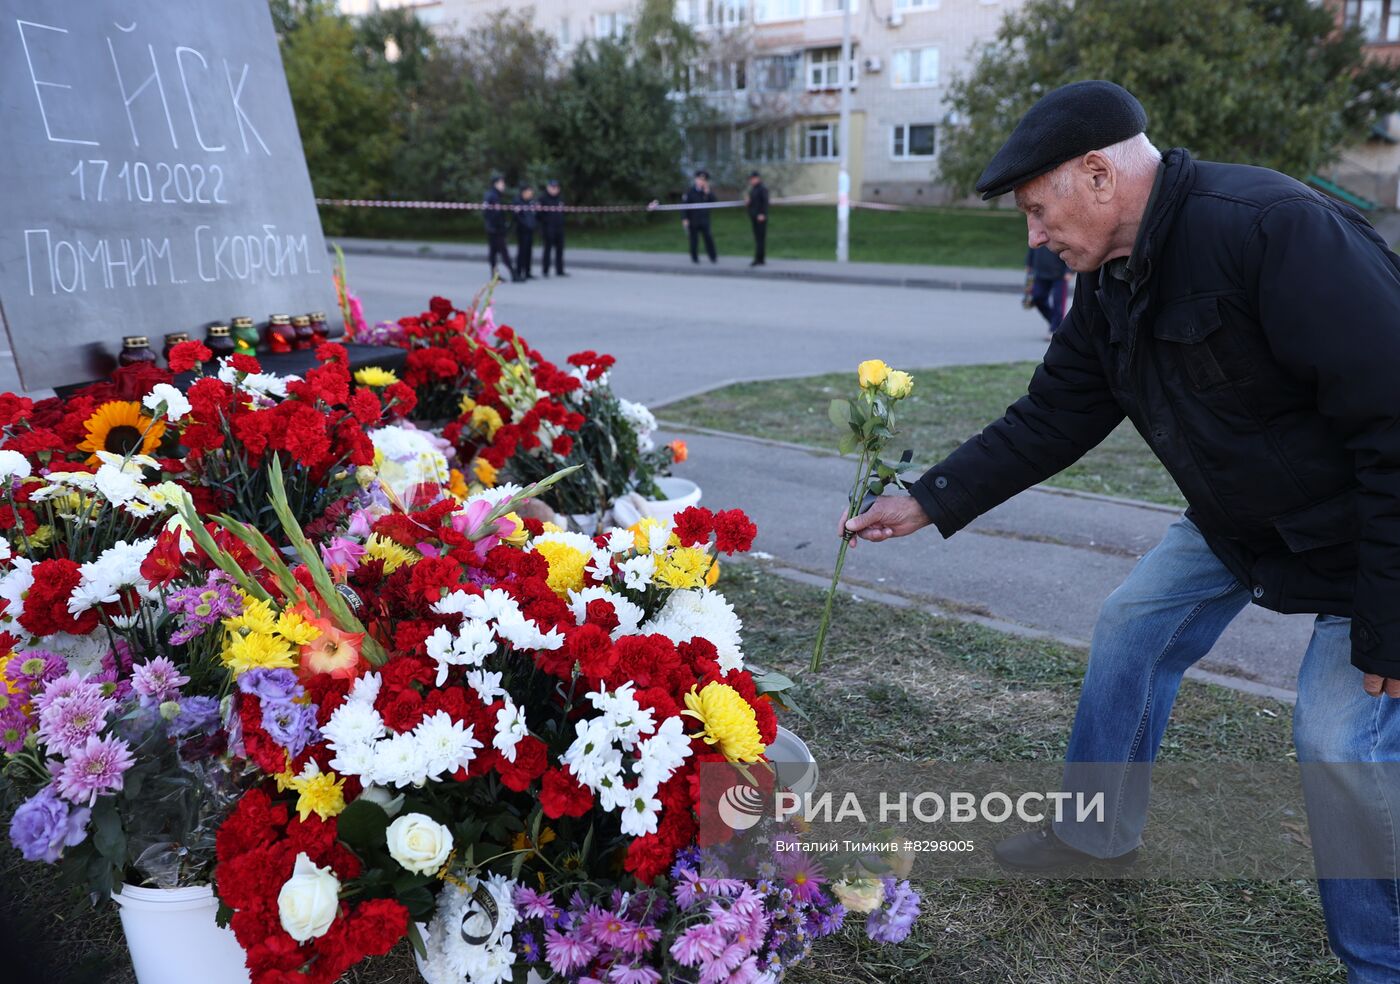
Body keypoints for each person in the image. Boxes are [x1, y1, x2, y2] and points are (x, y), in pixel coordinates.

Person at [843, 80, 1400, 981]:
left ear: (1098, 175)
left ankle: (1383, 961)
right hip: (1241, 520)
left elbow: (1394, 420)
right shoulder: (1107, 280)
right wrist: (928, 498)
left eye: (1036, 209)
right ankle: (1095, 834)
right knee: (1132, 628)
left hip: (1370, 535)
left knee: (1340, 741)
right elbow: (1057, 412)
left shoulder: (1269, 227)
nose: (1033, 236)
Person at [1024, 243, 1072, 339]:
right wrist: (1029, 263)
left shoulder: (1060, 229)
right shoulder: (1038, 229)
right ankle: (1057, 324)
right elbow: (1033, 245)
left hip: (1060, 274)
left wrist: (1069, 270)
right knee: (1037, 298)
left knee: (1058, 303)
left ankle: (1055, 328)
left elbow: (1069, 248)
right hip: (1039, 272)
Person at [681, 170, 717, 264]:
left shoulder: (706, 192)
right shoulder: (690, 191)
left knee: (708, 238)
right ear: (695, 180)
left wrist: (708, 193)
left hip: (704, 220)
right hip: (693, 220)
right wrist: (684, 219)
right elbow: (684, 207)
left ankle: (713, 257)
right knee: (694, 240)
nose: (701, 182)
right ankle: (694, 258)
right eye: (699, 179)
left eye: (704, 180)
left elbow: (714, 202)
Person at [483, 174, 511, 282]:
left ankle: (495, 275)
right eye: (501, 183)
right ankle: (513, 273)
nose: (503, 185)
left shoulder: (493, 195)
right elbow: (492, 214)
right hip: (495, 229)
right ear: (496, 184)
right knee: (503, 252)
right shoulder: (493, 196)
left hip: (493, 228)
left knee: (493, 253)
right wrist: (500, 226)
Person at [541, 178, 567, 277]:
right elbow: (539, 215)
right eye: (552, 187)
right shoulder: (543, 199)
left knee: (560, 249)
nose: (554, 189)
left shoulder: (560, 199)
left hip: (559, 227)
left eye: (556, 187)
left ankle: (559, 270)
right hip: (548, 228)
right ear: (548, 188)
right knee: (547, 249)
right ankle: (545, 270)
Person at [514, 184, 537, 282]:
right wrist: (527, 225)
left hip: (530, 230)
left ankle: (527, 271)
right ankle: (519, 271)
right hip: (522, 230)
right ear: (523, 192)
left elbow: (533, 215)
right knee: (522, 252)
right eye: (529, 192)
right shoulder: (517, 202)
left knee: (529, 251)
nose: (531, 194)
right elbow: (518, 217)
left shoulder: (531, 202)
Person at [746, 170, 769, 267]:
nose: (751, 180)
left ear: (757, 178)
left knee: (760, 238)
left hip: (760, 217)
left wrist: (762, 214)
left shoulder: (762, 189)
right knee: (758, 238)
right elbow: (753, 203)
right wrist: (748, 202)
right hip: (754, 216)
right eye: (751, 179)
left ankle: (758, 259)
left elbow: (765, 202)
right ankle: (761, 258)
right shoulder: (753, 189)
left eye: (753, 179)